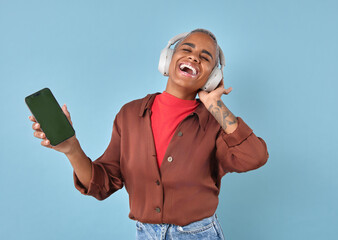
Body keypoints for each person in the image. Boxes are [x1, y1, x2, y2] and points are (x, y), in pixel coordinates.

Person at [29, 28, 269, 239]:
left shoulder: (216, 122)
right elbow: (102, 183)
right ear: (168, 59)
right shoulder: (130, 115)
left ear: (212, 78)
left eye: (205, 57)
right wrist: (71, 148)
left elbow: (254, 157)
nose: (194, 57)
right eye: (187, 49)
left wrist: (216, 106)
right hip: (146, 234)